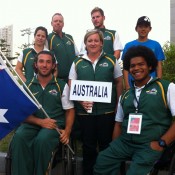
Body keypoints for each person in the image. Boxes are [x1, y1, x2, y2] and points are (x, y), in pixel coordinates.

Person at [94, 45, 175, 175]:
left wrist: (161, 143)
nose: (136, 68)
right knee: (102, 161)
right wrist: (115, 146)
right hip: (125, 142)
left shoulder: (166, 88)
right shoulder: (126, 95)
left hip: (149, 145)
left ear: (150, 66)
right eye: (132, 66)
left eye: (141, 64)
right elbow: (119, 124)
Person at [11, 50, 75, 175]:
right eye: (41, 61)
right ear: (35, 64)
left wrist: (67, 132)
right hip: (32, 122)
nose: (44, 65)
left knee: (43, 140)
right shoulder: (27, 85)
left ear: (53, 65)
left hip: (53, 125)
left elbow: (70, 110)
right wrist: (40, 122)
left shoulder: (61, 85)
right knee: (19, 137)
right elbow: (21, 113)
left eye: (48, 62)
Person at [69, 29, 123, 175]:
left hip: (107, 111)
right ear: (85, 44)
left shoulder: (112, 60)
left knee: (106, 146)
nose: (93, 43)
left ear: (101, 43)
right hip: (85, 112)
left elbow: (118, 82)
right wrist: (80, 100)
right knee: (88, 148)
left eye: (96, 40)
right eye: (89, 41)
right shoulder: (77, 62)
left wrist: (118, 103)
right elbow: (71, 83)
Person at [122, 16, 165, 90]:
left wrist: (159, 83)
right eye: (140, 26)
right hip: (133, 85)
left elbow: (159, 66)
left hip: (151, 85)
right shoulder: (128, 45)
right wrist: (127, 85)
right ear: (136, 29)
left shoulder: (156, 45)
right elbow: (125, 68)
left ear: (150, 29)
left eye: (146, 26)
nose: (143, 29)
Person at [48, 13, 79, 82]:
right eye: (56, 21)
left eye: (60, 21)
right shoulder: (48, 38)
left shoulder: (69, 37)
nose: (58, 23)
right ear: (51, 23)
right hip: (58, 79)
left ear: (63, 24)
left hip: (73, 79)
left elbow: (77, 55)